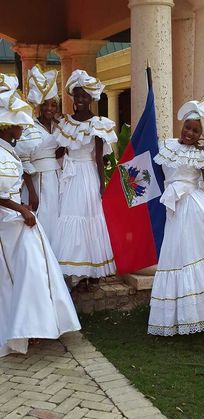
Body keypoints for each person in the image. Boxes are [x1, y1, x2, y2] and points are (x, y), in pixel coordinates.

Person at [0, 74, 81, 357]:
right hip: (6, 220)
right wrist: (22, 208)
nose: (22, 128)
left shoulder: (7, 149)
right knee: (32, 260)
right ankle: (28, 325)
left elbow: (19, 173)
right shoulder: (4, 151)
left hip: (15, 215)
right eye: (17, 125)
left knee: (37, 258)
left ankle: (37, 323)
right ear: (7, 127)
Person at [148, 99, 204, 336]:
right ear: (183, 123)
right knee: (175, 258)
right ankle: (178, 315)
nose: (189, 132)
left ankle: (198, 314)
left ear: (202, 134)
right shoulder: (165, 146)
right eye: (188, 127)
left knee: (191, 258)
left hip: (194, 209)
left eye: (195, 130)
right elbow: (150, 172)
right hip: (173, 209)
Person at [52, 69, 117, 288]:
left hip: (88, 175)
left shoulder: (98, 124)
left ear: (91, 99)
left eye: (85, 96)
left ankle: (92, 269)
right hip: (70, 177)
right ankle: (75, 271)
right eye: (77, 95)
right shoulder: (65, 123)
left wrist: (102, 185)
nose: (80, 99)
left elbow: (99, 158)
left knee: (90, 218)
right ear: (73, 97)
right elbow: (59, 153)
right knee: (71, 216)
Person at [15, 65, 61, 244]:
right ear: (39, 106)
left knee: (58, 218)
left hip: (58, 178)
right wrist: (32, 192)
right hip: (38, 180)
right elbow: (24, 160)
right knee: (42, 216)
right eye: (45, 104)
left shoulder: (59, 126)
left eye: (53, 104)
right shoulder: (29, 128)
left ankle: (58, 260)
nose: (50, 108)